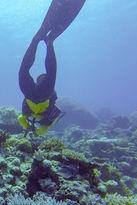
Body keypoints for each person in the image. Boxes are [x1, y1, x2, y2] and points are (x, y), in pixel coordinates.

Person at [18, 0, 86, 136]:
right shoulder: (49, 116)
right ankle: (47, 43)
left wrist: (30, 128)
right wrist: (36, 132)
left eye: (40, 79)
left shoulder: (36, 112)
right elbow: (44, 127)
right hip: (42, 95)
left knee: (25, 71)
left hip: (30, 94)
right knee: (35, 72)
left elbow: (21, 119)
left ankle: (37, 40)